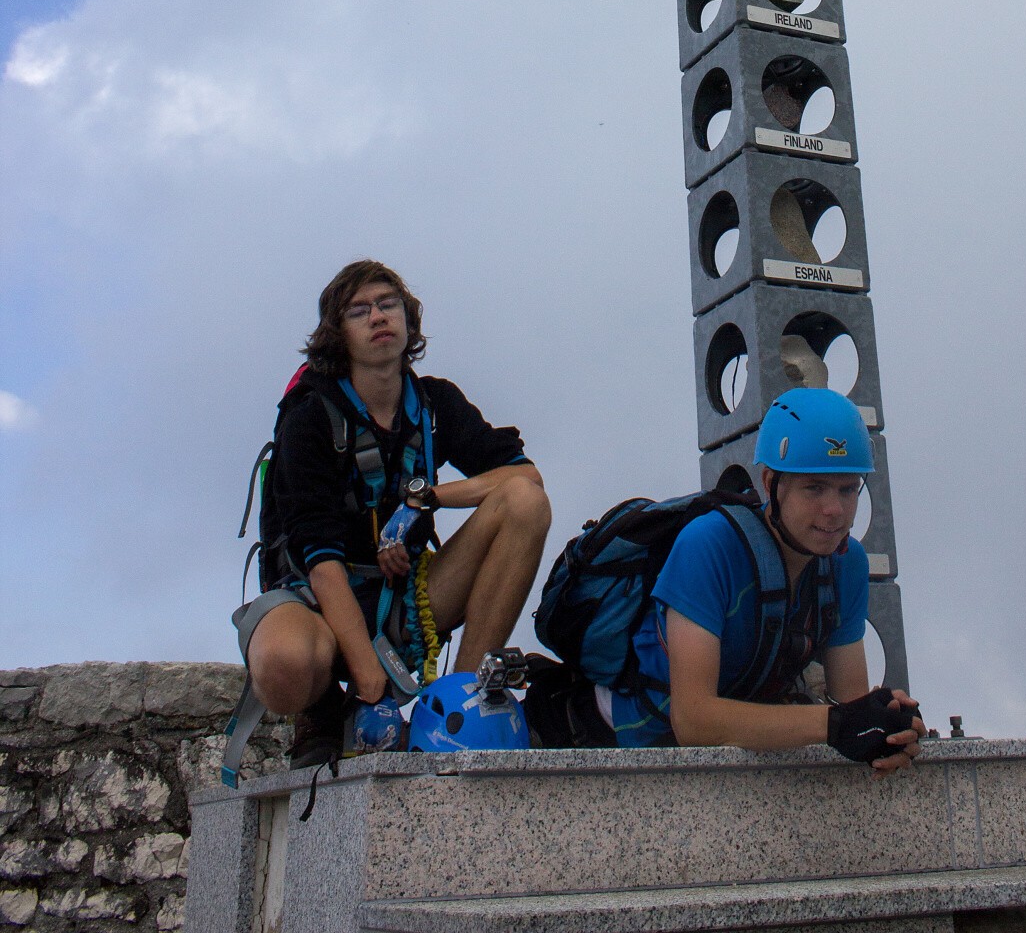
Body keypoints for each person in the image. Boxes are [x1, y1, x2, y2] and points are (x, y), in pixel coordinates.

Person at [244, 259, 550, 768]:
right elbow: (320, 561)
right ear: (337, 335)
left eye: (389, 305)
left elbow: (525, 477)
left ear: (408, 322)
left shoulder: (435, 405)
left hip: (405, 600)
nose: (378, 317)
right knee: (283, 662)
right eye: (359, 311)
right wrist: (370, 685)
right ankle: (323, 713)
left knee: (526, 504)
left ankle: (458, 703)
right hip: (319, 599)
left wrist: (430, 497)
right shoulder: (309, 420)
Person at [529, 389, 924, 772]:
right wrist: (836, 725)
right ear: (771, 483)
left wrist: (888, 730)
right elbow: (694, 720)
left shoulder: (846, 563)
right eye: (813, 488)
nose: (834, 510)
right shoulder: (709, 545)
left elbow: (850, 704)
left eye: (847, 489)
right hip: (608, 740)